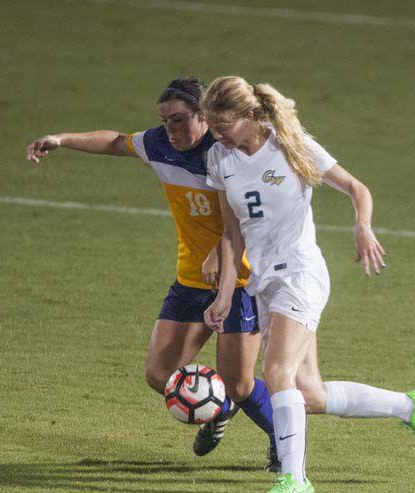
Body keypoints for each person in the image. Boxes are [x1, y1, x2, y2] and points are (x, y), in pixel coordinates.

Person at [201, 76, 415, 493]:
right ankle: (410, 406)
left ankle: (295, 479)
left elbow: (356, 188)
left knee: (276, 374)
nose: (217, 135)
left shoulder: (291, 147)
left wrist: (362, 226)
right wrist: (224, 293)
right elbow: (231, 230)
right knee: (307, 393)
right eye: (213, 127)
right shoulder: (220, 158)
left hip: (300, 274)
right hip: (262, 279)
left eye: (223, 126)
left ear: (252, 116)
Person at [25, 77, 279, 470]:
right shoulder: (160, 145)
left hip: (240, 280)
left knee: (242, 384)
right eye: (165, 121)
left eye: (179, 120)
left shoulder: (228, 153)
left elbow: (254, 214)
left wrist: (217, 252)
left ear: (204, 117)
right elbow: (116, 141)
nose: (171, 130)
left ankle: (284, 439)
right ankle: (218, 408)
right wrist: (61, 139)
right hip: (191, 279)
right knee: (160, 373)